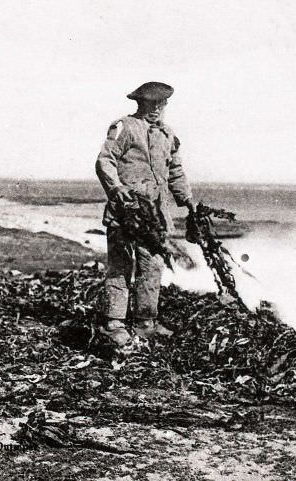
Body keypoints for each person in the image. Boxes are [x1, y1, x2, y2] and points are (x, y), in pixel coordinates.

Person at [95, 81, 196, 346]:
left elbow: (175, 170)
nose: (156, 110)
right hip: (126, 212)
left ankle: (145, 323)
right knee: (121, 265)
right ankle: (114, 324)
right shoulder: (124, 128)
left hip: (155, 216)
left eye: (160, 105)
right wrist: (116, 188)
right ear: (139, 104)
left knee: (152, 266)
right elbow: (105, 161)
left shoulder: (167, 135)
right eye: (150, 104)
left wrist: (187, 199)